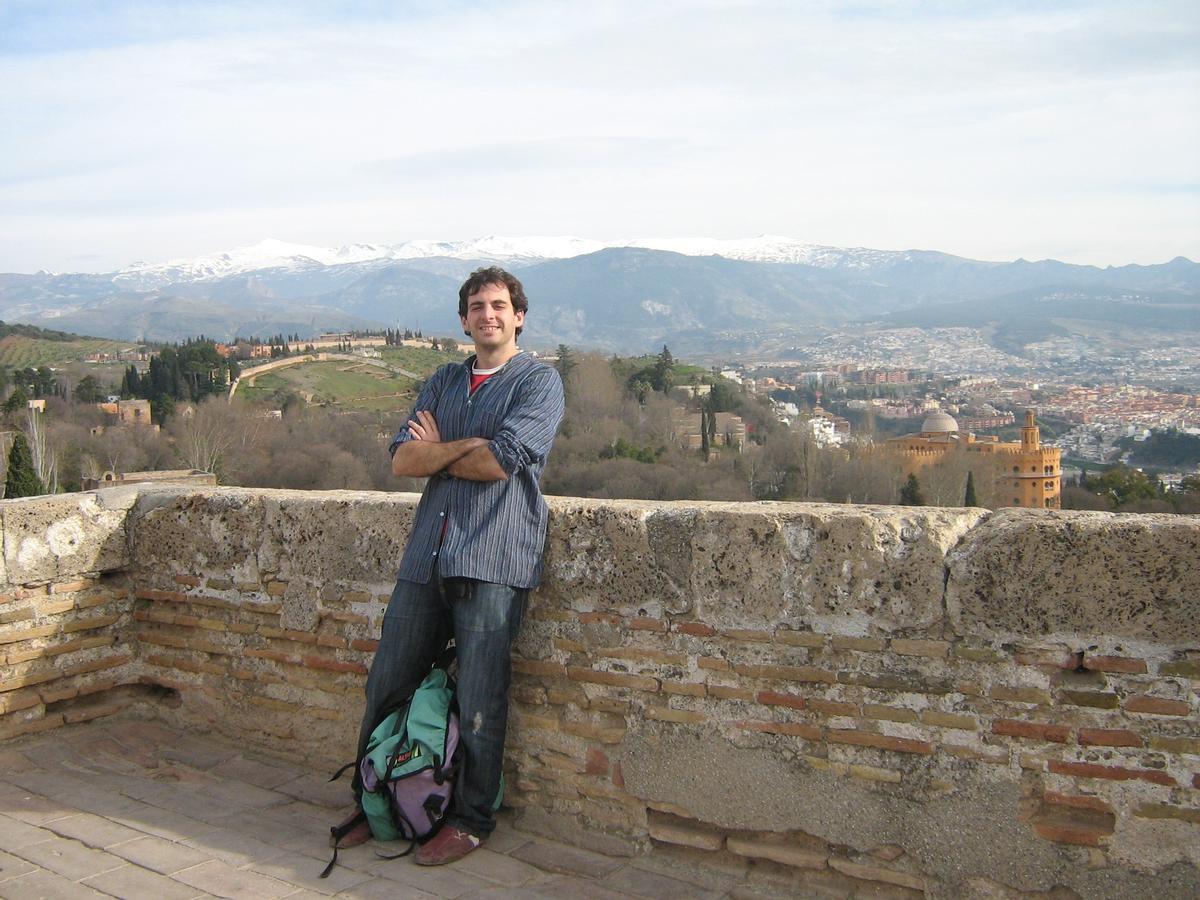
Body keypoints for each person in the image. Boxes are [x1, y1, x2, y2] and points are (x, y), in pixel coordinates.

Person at [335, 266, 564, 865]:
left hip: (494, 558)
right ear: (463, 319)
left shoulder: (539, 383)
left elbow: (503, 462)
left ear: (518, 315)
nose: (487, 315)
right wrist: (466, 447)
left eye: (498, 305)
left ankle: (469, 817)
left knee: (481, 697)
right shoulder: (442, 378)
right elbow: (402, 460)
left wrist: (442, 449)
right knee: (388, 682)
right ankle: (375, 795)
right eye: (475, 307)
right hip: (426, 556)